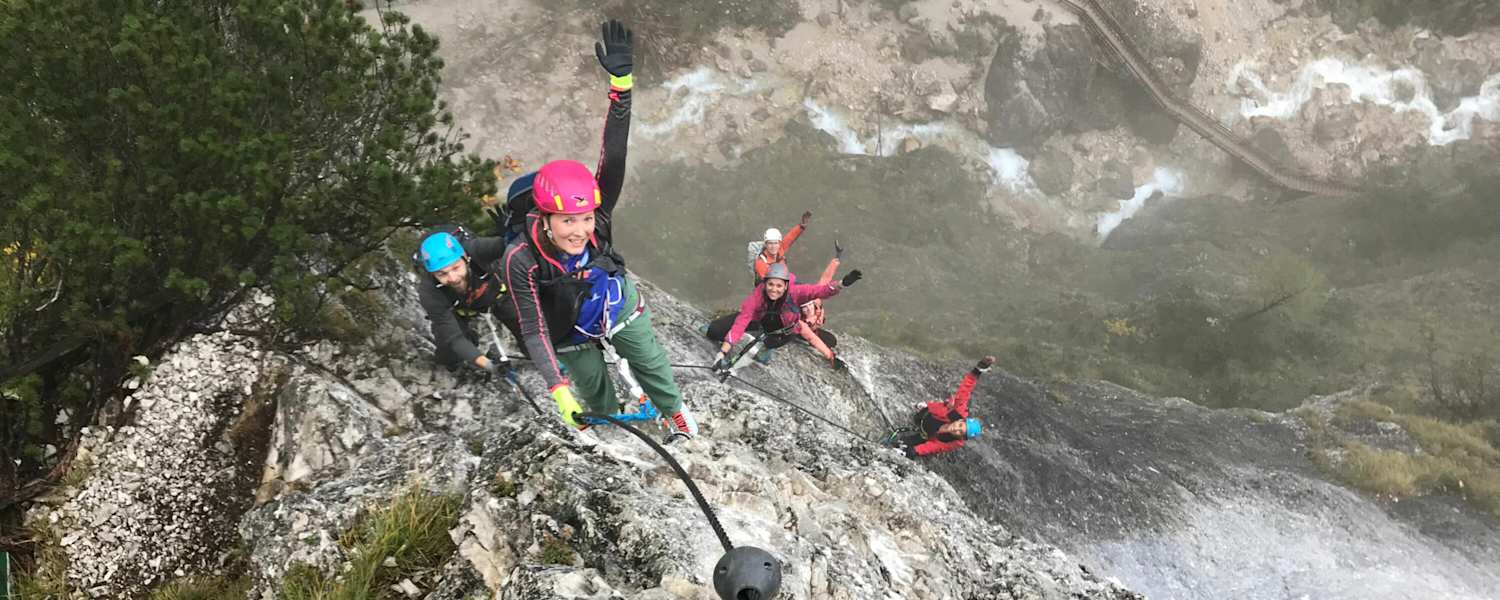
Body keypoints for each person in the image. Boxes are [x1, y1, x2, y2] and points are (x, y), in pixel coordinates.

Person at [502, 20, 698, 439]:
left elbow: (615, 152)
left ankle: (673, 410)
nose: (580, 231)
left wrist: (621, 85)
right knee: (594, 391)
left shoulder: (599, 213)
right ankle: (610, 428)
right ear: (544, 218)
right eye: (568, 221)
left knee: (652, 365)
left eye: (586, 218)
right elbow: (533, 329)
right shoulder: (521, 258)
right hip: (566, 326)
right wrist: (559, 392)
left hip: (612, 302)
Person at [705, 263, 862, 371]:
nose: (774, 290)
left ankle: (767, 346)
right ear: (765, 284)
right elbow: (741, 323)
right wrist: (722, 352)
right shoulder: (757, 298)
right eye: (770, 284)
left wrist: (842, 284)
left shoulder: (795, 293)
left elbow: (820, 290)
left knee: (776, 337)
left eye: (779, 286)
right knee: (714, 331)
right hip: (760, 320)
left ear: (786, 285)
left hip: (782, 330)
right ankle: (719, 330)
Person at [414, 226, 525, 376]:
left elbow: (513, 244)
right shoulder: (429, 291)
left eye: (456, 268)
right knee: (449, 353)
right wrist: (489, 365)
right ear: (432, 274)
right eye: (442, 274)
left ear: (466, 258)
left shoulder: (477, 250)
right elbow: (454, 338)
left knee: (524, 327)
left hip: (495, 294)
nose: (453, 278)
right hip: (459, 310)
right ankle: (467, 345)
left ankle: (531, 349)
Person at [889, 356, 993, 458]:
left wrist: (914, 451)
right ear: (961, 420)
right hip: (928, 415)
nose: (956, 429)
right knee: (919, 416)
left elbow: (934, 446)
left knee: (902, 445)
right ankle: (923, 411)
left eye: (960, 432)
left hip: (927, 435)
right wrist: (977, 371)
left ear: (961, 437)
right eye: (960, 425)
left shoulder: (953, 442)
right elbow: (965, 390)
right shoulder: (957, 412)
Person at [796, 241, 843, 365]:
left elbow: (826, 278)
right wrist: (830, 356)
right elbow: (809, 336)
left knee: (832, 341)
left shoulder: (815, 299)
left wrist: (837, 258)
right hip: (801, 333)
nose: (807, 307)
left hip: (812, 331)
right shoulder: (796, 316)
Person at [748, 211, 812, 284]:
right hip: (773, 287)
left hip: (784, 281)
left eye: (776, 243)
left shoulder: (780, 249)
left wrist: (801, 226)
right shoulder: (761, 263)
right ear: (766, 244)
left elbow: (791, 237)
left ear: (779, 243)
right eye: (770, 243)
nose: (773, 246)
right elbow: (770, 283)